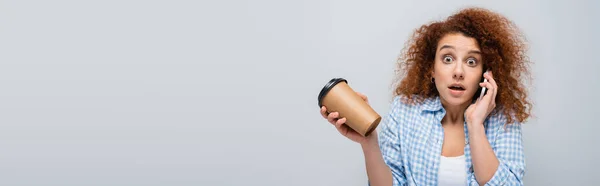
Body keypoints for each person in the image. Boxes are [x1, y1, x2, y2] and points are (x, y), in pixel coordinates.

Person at [320, 7, 532, 186]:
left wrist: (475, 124)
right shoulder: (405, 111)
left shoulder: (504, 119)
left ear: (486, 73)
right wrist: (369, 142)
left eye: (471, 62)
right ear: (431, 69)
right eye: (448, 59)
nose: (458, 72)